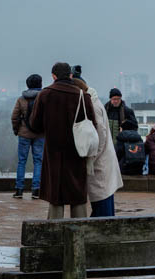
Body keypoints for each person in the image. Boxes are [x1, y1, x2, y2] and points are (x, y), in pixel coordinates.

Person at [28, 62, 96, 219]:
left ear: (53, 76)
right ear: (71, 76)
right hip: (78, 151)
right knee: (77, 195)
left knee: (56, 196)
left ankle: (54, 233)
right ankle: (79, 231)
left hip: (54, 151)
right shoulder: (83, 96)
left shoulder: (45, 94)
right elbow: (93, 124)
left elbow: (35, 125)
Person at [75, 77, 122, 217]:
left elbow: (100, 137)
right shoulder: (94, 101)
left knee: (102, 207)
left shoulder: (92, 105)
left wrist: (91, 159)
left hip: (100, 164)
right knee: (105, 200)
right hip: (105, 162)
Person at [10, 74, 44, 199]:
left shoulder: (21, 99)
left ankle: (19, 190)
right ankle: (36, 190)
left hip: (24, 134)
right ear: (40, 84)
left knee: (22, 161)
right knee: (38, 161)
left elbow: (14, 117)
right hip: (40, 134)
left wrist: (16, 130)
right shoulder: (43, 98)